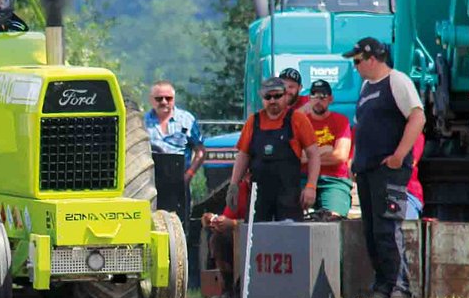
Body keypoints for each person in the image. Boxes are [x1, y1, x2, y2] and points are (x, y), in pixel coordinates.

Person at [344, 37, 425, 298]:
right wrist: (354, 161)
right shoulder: (366, 87)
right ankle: (383, 285)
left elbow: (417, 116)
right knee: (371, 231)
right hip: (367, 170)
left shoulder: (397, 81)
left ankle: (401, 288)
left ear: (372, 58)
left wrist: (399, 155)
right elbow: (362, 128)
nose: (355, 67)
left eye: (357, 61)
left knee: (388, 228)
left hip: (389, 170)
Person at [227, 78, 321, 223]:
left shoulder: (297, 119)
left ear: (285, 96)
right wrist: (233, 185)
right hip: (259, 195)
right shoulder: (253, 121)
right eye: (268, 97)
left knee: (288, 239)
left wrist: (311, 186)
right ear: (262, 98)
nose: (272, 101)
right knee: (256, 238)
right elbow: (243, 155)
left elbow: (314, 154)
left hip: (288, 194)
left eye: (277, 96)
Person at [145, 81, 205, 224]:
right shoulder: (142, 122)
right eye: (159, 99)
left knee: (180, 221)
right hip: (150, 181)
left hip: (179, 180)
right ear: (151, 100)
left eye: (168, 98)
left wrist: (189, 175)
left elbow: (201, 151)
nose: (164, 102)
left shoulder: (187, 120)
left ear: (174, 99)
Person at [301, 80, 353, 218]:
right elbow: (296, 157)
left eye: (323, 96)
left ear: (330, 99)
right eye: (314, 96)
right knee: (291, 218)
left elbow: (340, 156)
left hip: (333, 180)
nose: (318, 100)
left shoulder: (341, 121)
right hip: (302, 179)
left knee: (333, 218)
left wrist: (309, 157)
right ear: (308, 99)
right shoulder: (300, 123)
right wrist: (325, 149)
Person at [202, 177, 250, 298]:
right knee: (218, 239)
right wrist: (215, 221)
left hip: (260, 239)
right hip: (240, 238)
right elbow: (227, 218)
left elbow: (266, 224)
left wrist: (234, 223)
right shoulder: (241, 189)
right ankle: (228, 289)